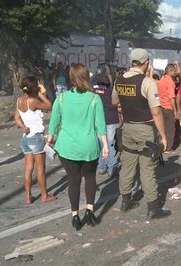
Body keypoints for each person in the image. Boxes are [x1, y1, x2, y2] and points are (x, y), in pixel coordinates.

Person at [47, 63, 108, 230]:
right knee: (90, 178)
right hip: (88, 145)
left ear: (70, 78)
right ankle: (90, 210)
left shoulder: (61, 98)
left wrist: (50, 138)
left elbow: (54, 121)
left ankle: (75, 215)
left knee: (73, 180)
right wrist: (105, 145)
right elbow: (100, 125)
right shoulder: (94, 98)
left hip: (66, 146)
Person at [112, 48, 171, 219]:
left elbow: (114, 101)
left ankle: (125, 201)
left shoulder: (119, 79)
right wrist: (163, 136)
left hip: (127, 128)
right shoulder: (148, 82)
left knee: (127, 165)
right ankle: (152, 208)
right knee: (147, 168)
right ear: (146, 63)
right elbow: (156, 112)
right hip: (145, 129)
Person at [14, 77, 56, 204]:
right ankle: (44, 195)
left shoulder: (20, 100)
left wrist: (23, 127)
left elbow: (16, 117)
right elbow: (50, 106)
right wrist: (39, 94)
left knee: (28, 168)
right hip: (36, 137)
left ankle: (28, 196)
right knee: (40, 169)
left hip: (26, 138)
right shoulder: (33, 100)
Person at [92, 63, 120, 177]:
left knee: (100, 143)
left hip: (98, 117)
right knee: (110, 143)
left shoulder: (93, 82)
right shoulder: (112, 84)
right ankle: (112, 168)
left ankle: (102, 166)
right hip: (111, 117)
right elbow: (116, 100)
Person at [157, 64, 179, 153]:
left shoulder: (161, 80)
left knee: (163, 128)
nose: (175, 73)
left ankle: (162, 145)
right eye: (174, 71)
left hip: (161, 106)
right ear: (170, 71)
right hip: (168, 107)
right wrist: (175, 110)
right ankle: (168, 147)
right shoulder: (170, 81)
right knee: (170, 129)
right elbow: (171, 97)